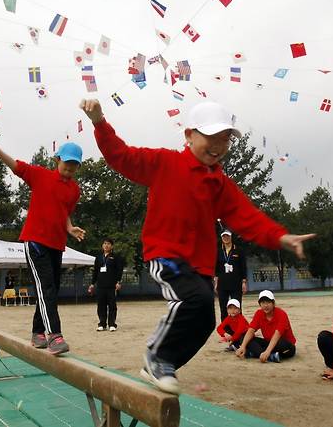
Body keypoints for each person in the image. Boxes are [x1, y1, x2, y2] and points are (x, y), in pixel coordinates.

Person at [81, 99, 314, 394]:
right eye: (211, 138)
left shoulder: (219, 183)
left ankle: (164, 365)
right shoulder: (165, 163)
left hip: (200, 265)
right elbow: (121, 156)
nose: (218, 146)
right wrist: (100, 122)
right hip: (165, 255)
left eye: (225, 139)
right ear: (189, 135)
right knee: (194, 301)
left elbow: (247, 217)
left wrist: (280, 237)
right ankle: (157, 356)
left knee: (205, 321)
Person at [0, 134, 86, 355]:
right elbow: (15, 165)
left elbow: (64, 212)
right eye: (67, 164)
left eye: (75, 166)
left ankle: (37, 333)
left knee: (51, 290)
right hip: (36, 241)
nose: (70, 169)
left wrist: (69, 227)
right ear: (57, 160)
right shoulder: (40, 175)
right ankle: (54, 335)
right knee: (46, 287)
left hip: (57, 244)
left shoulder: (75, 190)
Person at [235, 290, 296, 363]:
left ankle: (257, 353)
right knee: (243, 337)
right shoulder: (259, 313)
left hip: (283, 344)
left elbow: (277, 334)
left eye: (268, 302)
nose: (266, 305)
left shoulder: (281, 314)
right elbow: (251, 330)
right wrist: (243, 346)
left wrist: (267, 351)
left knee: (282, 344)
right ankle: (270, 356)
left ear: (273, 303)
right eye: (263, 303)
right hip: (269, 342)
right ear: (260, 304)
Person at [90, 237, 124, 332]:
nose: (106, 245)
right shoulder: (99, 258)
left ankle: (112, 324)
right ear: (102, 245)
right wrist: (92, 284)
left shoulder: (116, 257)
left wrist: (118, 282)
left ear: (112, 246)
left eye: (108, 244)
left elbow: (119, 270)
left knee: (112, 306)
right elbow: (95, 271)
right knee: (101, 305)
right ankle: (102, 324)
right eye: (104, 243)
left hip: (111, 286)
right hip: (100, 286)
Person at [214, 230, 247, 321]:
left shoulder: (239, 250)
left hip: (236, 283)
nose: (226, 238)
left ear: (231, 237)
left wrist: (244, 282)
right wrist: (216, 283)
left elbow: (243, 267)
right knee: (223, 308)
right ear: (221, 238)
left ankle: (239, 329)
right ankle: (226, 330)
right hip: (222, 284)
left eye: (227, 236)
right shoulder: (218, 251)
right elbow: (216, 269)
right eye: (224, 236)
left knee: (237, 307)